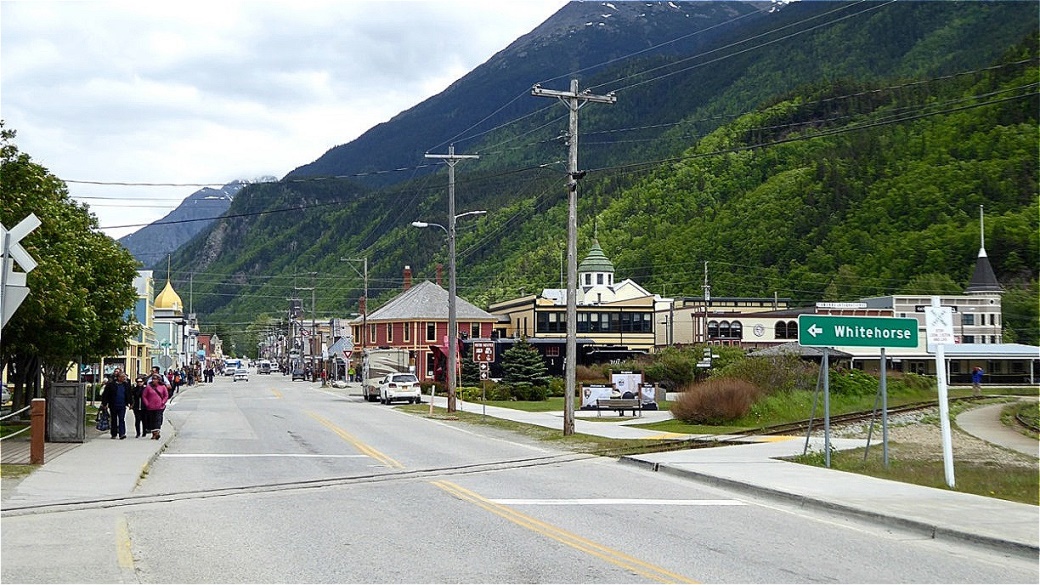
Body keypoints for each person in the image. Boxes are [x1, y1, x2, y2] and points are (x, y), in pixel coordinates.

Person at [99, 369, 131, 439]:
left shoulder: (126, 385)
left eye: (124, 377)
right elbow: (106, 395)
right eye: (123, 377)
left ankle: (122, 433)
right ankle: (114, 433)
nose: (124, 378)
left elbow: (129, 394)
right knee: (114, 419)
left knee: (121, 419)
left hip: (122, 405)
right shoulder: (111, 385)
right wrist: (104, 404)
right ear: (118, 377)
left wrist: (130, 403)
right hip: (113, 405)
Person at [142, 373, 170, 440]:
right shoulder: (148, 387)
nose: (154, 380)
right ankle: (154, 433)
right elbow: (144, 396)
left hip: (159, 407)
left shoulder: (162, 387)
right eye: (153, 379)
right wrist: (147, 403)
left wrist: (163, 402)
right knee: (151, 420)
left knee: (158, 419)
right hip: (150, 407)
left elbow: (166, 395)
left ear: (159, 380)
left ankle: (157, 433)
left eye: (155, 379)